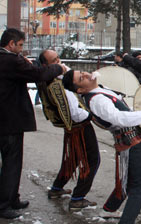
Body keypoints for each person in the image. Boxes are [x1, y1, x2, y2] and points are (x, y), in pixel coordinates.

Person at [62, 69, 141, 224]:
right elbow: (118, 118)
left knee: (128, 183)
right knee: (140, 188)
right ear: (81, 89)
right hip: (131, 143)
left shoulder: (95, 90)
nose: (87, 74)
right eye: (82, 78)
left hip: (128, 142)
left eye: (83, 71)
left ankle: (109, 209)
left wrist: (64, 69)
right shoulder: (96, 100)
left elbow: (75, 77)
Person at [0, 28, 65, 219]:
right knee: (12, 163)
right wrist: (59, 68)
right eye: (20, 45)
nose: (21, 49)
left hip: (4, 120)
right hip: (10, 121)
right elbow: (38, 74)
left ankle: (12, 197)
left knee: (9, 163)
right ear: (11, 44)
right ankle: (4, 204)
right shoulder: (11, 60)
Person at [37, 50, 100, 211]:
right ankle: (78, 198)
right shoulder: (57, 84)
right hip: (79, 127)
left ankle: (57, 188)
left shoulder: (51, 79)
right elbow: (73, 111)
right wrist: (90, 116)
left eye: (58, 58)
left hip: (73, 127)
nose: (59, 62)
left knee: (72, 159)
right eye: (54, 61)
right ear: (46, 65)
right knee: (91, 161)